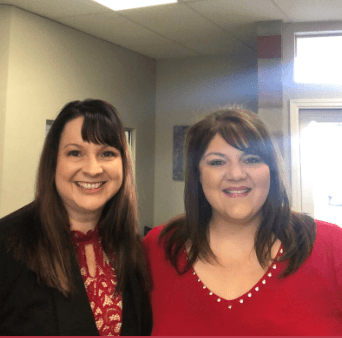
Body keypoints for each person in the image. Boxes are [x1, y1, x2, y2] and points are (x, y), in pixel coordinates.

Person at [143, 108, 342, 336]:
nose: (236, 174)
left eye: (251, 159)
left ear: (271, 170)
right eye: (217, 162)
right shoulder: (159, 248)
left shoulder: (331, 247)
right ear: (198, 174)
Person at [0, 99, 152, 335]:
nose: (92, 169)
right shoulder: (6, 243)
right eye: (75, 153)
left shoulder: (132, 248)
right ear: (53, 163)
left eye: (107, 153)